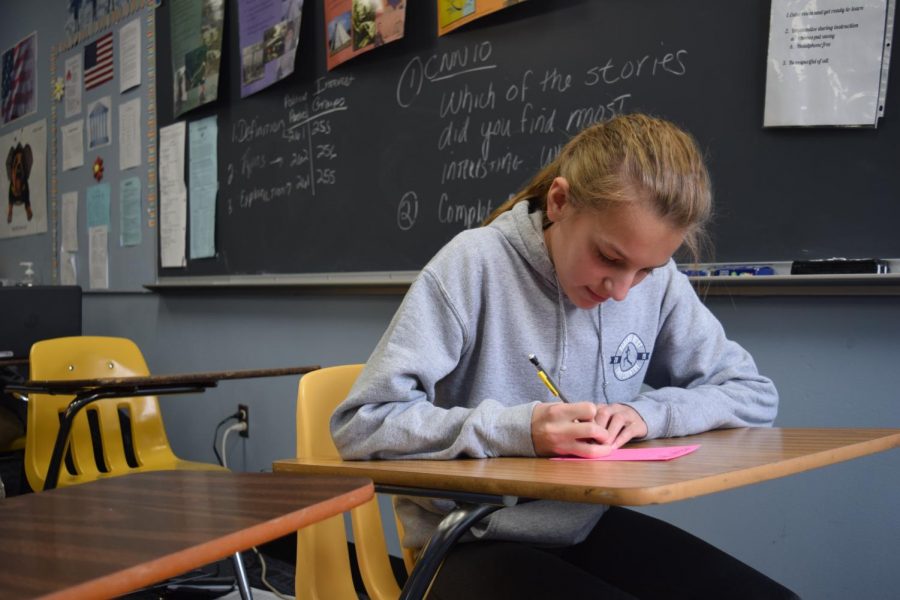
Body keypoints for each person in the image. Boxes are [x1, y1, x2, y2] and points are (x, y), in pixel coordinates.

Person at [331, 113, 799, 599]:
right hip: (469, 538)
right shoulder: (475, 265)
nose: (621, 291)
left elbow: (752, 393)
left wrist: (646, 414)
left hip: (581, 525)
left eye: (645, 270)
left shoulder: (656, 283)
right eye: (610, 259)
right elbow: (362, 423)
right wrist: (522, 429)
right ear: (559, 202)